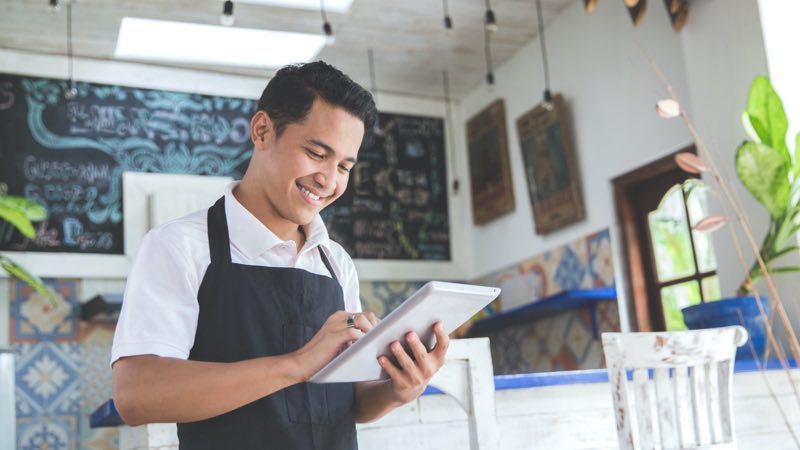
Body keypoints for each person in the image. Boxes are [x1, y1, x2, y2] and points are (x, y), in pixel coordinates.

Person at [111, 61, 450, 449]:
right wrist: (296, 364)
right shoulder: (179, 246)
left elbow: (346, 403)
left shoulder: (336, 262)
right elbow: (135, 395)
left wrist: (399, 389)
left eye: (344, 166)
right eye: (316, 153)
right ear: (262, 131)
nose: (329, 179)